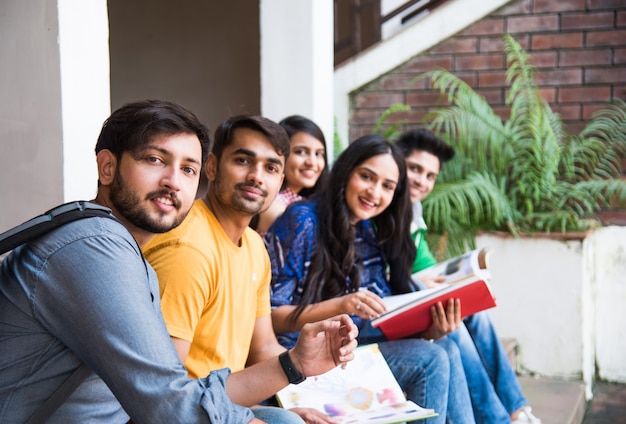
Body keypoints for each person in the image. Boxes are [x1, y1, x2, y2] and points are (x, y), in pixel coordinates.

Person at [0, 100, 358, 423]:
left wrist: (297, 364)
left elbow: (172, 390)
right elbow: (168, 402)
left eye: (188, 169)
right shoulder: (96, 248)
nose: (173, 181)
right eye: (155, 160)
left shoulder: (121, 249)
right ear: (107, 167)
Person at [265, 134, 475, 424]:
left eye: (387, 186)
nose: (375, 193)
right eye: (367, 177)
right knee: (432, 359)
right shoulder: (302, 220)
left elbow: (380, 314)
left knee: (446, 346)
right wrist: (342, 304)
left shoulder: (364, 230)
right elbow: (272, 316)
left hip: (351, 349)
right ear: (346, 172)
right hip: (302, 355)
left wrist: (430, 328)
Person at [142, 114, 334, 423]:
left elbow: (264, 347)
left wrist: (317, 389)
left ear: (280, 182)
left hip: (221, 400)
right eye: (244, 160)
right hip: (180, 408)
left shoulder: (254, 246)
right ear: (213, 166)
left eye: (270, 168)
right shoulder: (188, 250)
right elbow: (160, 395)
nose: (257, 176)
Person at [395, 128, 541, 424]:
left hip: (412, 294)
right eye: (415, 169)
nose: (421, 181)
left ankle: (516, 409)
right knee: (455, 326)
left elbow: (424, 265)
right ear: (397, 163)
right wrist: (419, 283)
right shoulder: (383, 207)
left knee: (476, 314)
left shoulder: (414, 210)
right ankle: (498, 420)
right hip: (394, 305)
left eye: (430, 176)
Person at [252, 115, 329, 235]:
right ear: (279, 155)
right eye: (301, 152)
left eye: (318, 154)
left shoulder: (311, 201)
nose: (312, 163)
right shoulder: (270, 204)